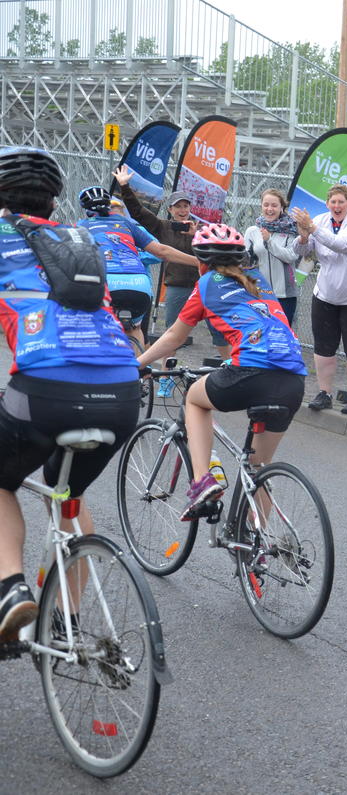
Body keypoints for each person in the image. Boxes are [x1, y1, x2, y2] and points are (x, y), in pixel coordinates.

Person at [0, 148, 141, 639]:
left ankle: (11, 591)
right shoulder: (80, 239)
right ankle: (68, 622)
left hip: (46, 390)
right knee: (68, 496)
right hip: (122, 389)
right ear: (54, 204)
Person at [136, 225, 307, 519]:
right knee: (258, 468)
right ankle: (259, 544)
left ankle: (203, 481)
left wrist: (138, 364)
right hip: (293, 379)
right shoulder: (259, 279)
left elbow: (174, 336)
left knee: (194, 398)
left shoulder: (206, 284)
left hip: (251, 370)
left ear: (201, 262)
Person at [112, 165, 229, 371]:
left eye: (186, 206)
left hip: (204, 286)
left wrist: (195, 235)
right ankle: (166, 376)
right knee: (172, 332)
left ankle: (231, 367)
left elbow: (219, 251)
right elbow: (138, 212)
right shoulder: (162, 226)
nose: (182, 211)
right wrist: (124, 186)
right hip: (177, 286)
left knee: (219, 329)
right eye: (178, 207)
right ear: (170, 210)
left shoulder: (201, 229)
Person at [76, 185, 200, 350]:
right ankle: (140, 365)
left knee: (93, 327)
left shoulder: (81, 227)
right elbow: (162, 251)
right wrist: (200, 262)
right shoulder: (126, 223)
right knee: (135, 329)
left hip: (107, 284)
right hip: (139, 285)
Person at [293, 184, 347, 417]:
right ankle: (324, 394)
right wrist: (304, 236)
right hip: (325, 295)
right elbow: (303, 252)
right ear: (327, 204)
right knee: (323, 347)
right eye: (333, 202)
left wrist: (312, 228)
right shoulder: (320, 220)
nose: (337, 206)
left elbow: (341, 245)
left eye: (341, 202)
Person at [243, 188, 301, 326]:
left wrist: (269, 241)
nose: (269, 209)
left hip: (284, 296)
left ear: (282, 207)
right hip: (258, 294)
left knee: (281, 334)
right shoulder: (252, 231)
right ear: (261, 206)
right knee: (258, 333)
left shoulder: (292, 230)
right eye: (266, 205)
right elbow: (245, 261)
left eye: (274, 205)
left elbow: (291, 256)